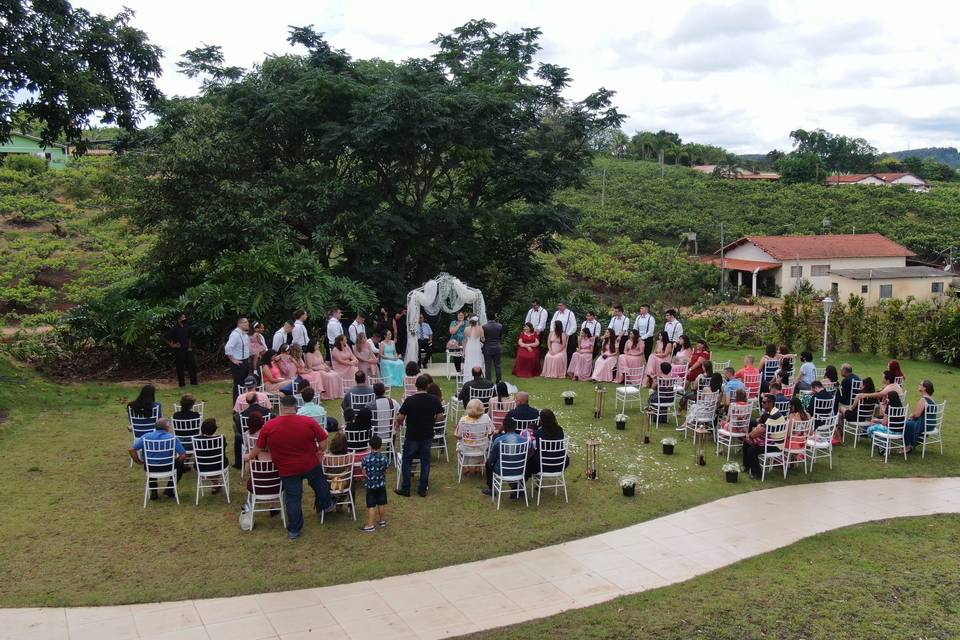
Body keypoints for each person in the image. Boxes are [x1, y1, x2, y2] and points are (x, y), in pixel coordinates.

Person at [246, 395, 334, 539]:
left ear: (281, 407)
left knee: (293, 498)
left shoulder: (269, 426)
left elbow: (258, 447)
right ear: (296, 407)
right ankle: (327, 504)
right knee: (319, 483)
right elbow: (323, 438)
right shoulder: (308, 421)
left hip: (287, 469)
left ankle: (294, 530)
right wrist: (320, 450)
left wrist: (248, 457)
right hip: (309, 463)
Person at [395, 374, 444, 497]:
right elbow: (440, 417)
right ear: (428, 386)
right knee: (425, 462)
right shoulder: (434, 400)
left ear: (416, 386)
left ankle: (406, 488)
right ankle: (423, 489)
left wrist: (400, 423)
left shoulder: (409, 400)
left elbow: (400, 417)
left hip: (412, 435)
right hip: (427, 434)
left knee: (407, 460)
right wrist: (431, 421)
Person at [129, 418, 187, 499]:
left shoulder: (146, 436)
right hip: (168, 466)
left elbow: (132, 449)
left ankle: (154, 492)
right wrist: (177, 461)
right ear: (167, 427)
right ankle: (170, 488)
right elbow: (183, 455)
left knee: (151, 462)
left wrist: (138, 461)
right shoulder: (172, 438)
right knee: (180, 464)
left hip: (150, 467)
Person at [742, 394, 787, 479]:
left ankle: (757, 473)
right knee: (747, 443)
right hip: (772, 441)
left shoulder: (774, 416)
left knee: (752, 450)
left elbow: (760, 431)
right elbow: (760, 424)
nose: (762, 403)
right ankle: (747, 467)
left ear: (770, 403)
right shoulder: (773, 412)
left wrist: (749, 436)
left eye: (764, 402)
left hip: (775, 445)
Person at [482, 417, 527, 495]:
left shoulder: (499, 440)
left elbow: (492, 459)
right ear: (515, 426)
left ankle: (491, 489)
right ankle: (517, 487)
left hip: (503, 470)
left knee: (488, 463)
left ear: (504, 427)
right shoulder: (524, 440)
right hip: (520, 470)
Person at [455, 399, 495, 472]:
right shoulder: (486, 418)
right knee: (486, 443)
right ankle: (478, 465)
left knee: (459, 443)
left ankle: (465, 466)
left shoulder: (463, 420)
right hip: (482, 447)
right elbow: (491, 432)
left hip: (467, 448)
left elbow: (458, 436)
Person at [359, 434, 389, 532]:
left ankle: (370, 525)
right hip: (381, 484)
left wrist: (368, 477)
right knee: (381, 503)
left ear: (370, 445)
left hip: (371, 486)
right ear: (380, 446)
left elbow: (364, 472)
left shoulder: (366, 459)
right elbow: (385, 471)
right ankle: (382, 521)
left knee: (371, 505)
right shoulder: (384, 458)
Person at [529, 408, 570, 474]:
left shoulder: (538, 433)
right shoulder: (560, 430)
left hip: (543, 465)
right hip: (560, 463)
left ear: (541, 420)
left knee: (528, 461)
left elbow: (537, 448)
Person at [165, 312, 197, 387]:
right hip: (179, 350)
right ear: (178, 319)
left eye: (184, 317)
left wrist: (189, 347)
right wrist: (172, 345)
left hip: (188, 350)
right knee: (180, 368)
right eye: (182, 317)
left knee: (192, 366)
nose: (184, 319)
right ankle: (182, 384)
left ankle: (194, 383)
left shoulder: (187, 327)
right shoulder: (174, 329)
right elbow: (165, 337)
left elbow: (189, 338)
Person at [195, 419, 229, 489]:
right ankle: (216, 483)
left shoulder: (197, 440)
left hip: (202, 466)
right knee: (216, 462)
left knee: (210, 463)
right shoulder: (221, 438)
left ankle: (216, 483)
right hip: (218, 465)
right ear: (215, 429)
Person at [903, 380, 935, 453]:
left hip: (924, 424)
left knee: (906, 424)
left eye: (920, 384)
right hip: (931, 424)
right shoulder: (932, 399)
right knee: (909, 422)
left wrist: (910, 417)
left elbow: (917, 415)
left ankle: (907, 446)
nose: (919, 385)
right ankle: (912, 443)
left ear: (924, 388)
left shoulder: (923, 400)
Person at [225, 317, 251, 401]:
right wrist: (233, 359)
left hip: (245, 361)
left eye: (247, 322)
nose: (247, 324)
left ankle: (244, 402)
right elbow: (228, 347)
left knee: (245, 384)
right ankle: (236, 406)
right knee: (238, 385)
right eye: (245, 322)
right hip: (238, 363)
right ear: (240, 324)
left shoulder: (245, 335)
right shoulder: (235, 334)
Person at [482, 314, 504, 383]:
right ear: (495, 318)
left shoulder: (484, 326)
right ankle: (498, 380)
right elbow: (500, 336)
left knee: (488, 366)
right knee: (498, 365)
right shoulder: (500, 326)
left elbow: (483, 338)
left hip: (488, 347)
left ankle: (488, 381)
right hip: (497, 346)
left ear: (488, 318)